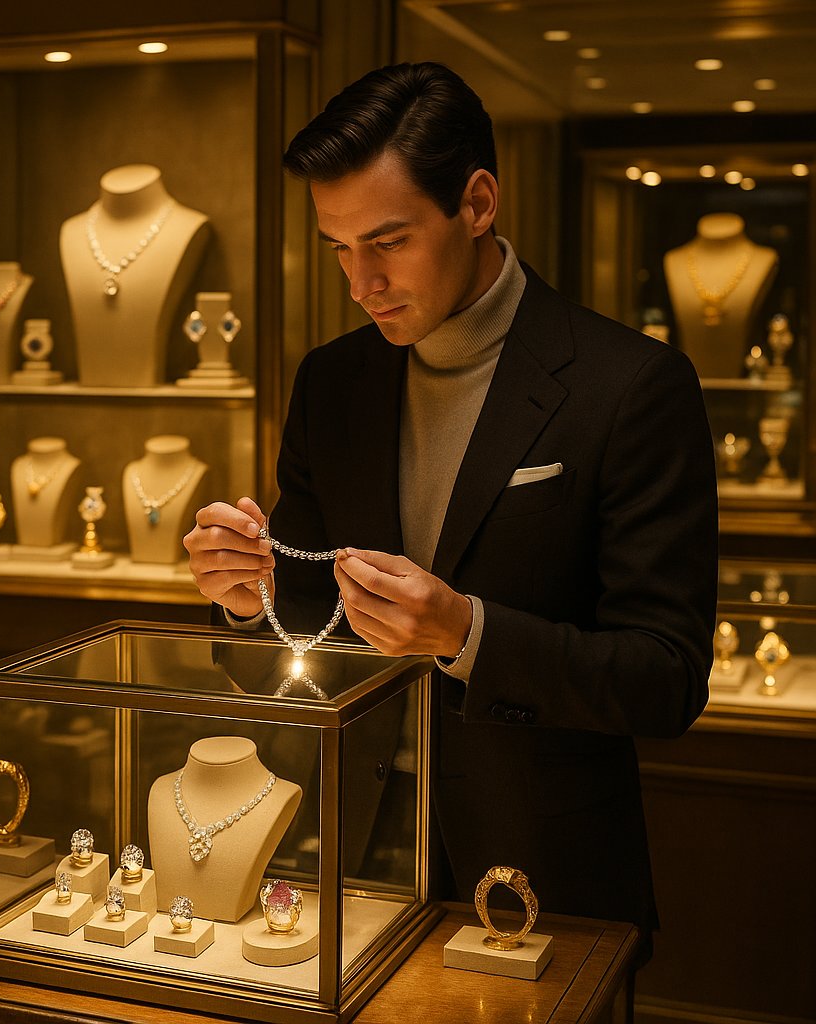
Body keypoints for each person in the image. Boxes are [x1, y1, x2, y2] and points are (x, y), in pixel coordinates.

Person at [184, 61, 717, 974]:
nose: (363, 281)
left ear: (477, 203)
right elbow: (312, 619)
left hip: (542, 879)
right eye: (339, 248)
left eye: (387, 241)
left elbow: (666, 678)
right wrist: (242, 595)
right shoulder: (333, 382)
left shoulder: (631, 387)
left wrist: (466, 633)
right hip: (343, 865)